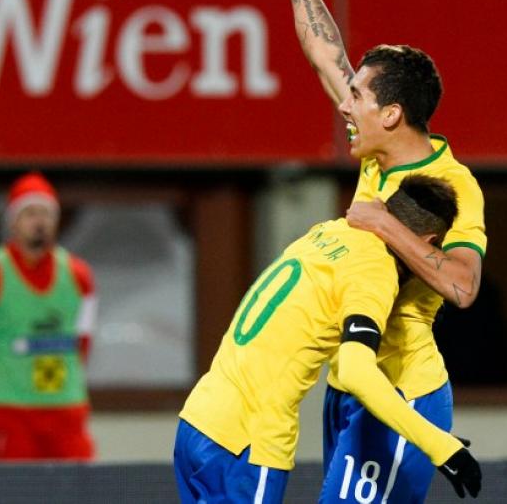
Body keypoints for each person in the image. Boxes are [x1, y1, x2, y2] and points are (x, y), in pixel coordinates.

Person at [259, 0, 487, 502]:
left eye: (358, 97)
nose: (345, 105)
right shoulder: (376, 147)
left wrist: (384, 223)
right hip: (352, 379)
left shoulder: (454, 187)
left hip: (405, 386)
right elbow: (322, 51)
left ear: (392, 116)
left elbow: (463, 285)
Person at [175, 175, 481, 503]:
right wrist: (441, 447)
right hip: (247, 440)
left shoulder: (328, 231)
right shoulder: (374, 270)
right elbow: (355, 372)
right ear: (428, 241)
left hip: (198, 420)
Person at [0, 171, 97, 461]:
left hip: (63, 413)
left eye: (46, 214)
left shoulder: (80, 277)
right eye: (30, 213)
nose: (39, 222)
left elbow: (83, 346)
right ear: (12, 221)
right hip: (7, 414)